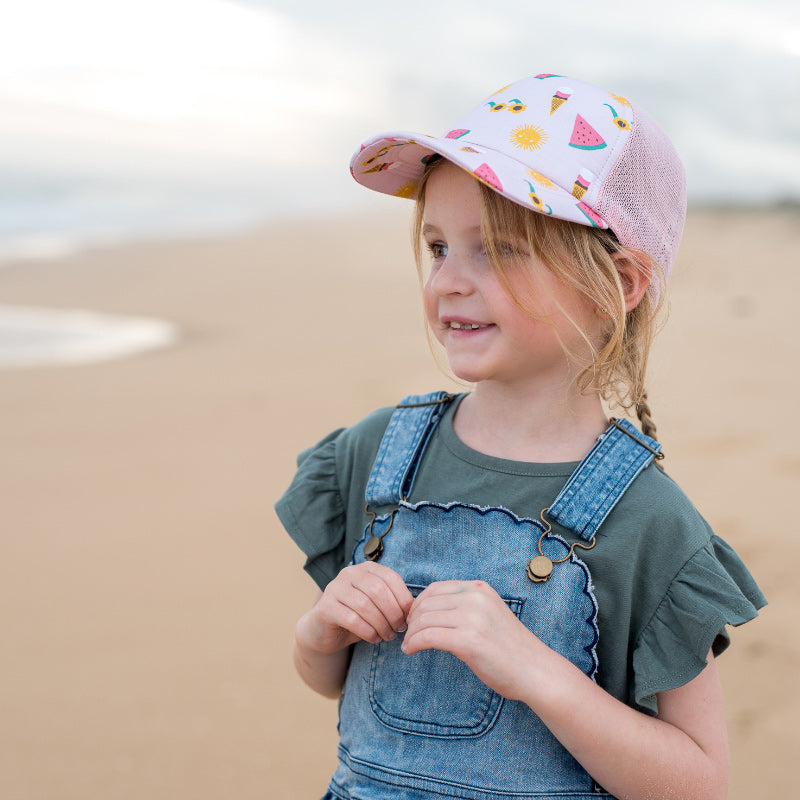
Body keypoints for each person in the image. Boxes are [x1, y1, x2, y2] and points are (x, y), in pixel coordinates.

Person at [276, 73, 766, 800]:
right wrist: (318, 634)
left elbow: (698, 782)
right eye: (439, 248)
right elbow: (335, 682)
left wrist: (538, 672)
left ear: (620, 283)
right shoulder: (379, 453)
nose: (449, 281)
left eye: (499, 250)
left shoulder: (646, 521)